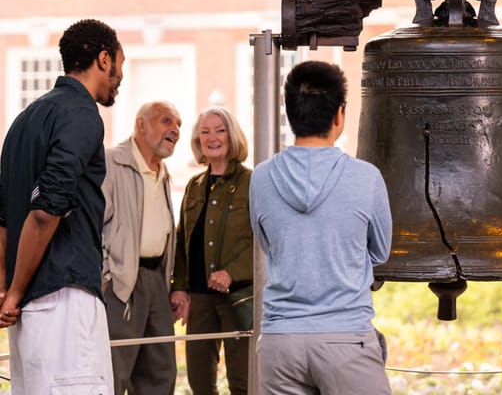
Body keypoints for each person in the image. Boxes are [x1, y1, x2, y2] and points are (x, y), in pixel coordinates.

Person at [250, 60, 393, 394]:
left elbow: (268, 243)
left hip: (279, 341)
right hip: (345, 338)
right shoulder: (366, 177)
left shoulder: (261, 178)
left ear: (290, 114)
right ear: (338, 115)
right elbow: (380, 250)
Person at [0, 19, 124, 394]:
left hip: (31, 315)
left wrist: (7, 288)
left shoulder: (24, 119)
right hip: (64, 303)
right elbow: (47, 209)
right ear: (104, 59)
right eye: (120, 65)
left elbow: (4, 217)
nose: (120, 77)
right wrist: (16, 291)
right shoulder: (82, 113)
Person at [170, 106, 253, 395]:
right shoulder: (193, 187)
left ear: (232, 137)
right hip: (200, 300)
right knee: (199, 381)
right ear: (197, 140)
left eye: (220, 130)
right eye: (205, 132)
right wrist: (178, 288)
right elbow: (182, 244)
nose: (212, 138)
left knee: (243, 381)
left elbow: (266, 241)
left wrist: (233, 272)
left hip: (239, 299)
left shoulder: (252, 183)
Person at [102, 101, 182, 394]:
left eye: (178, 125)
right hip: (122, 282)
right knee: (115, 371)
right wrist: (106, 274)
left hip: (156, 280)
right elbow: (90, 223)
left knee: (161, 373)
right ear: (141, 124)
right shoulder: (111, 162)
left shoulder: (163, 172)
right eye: (166, 121)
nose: (174, 129)